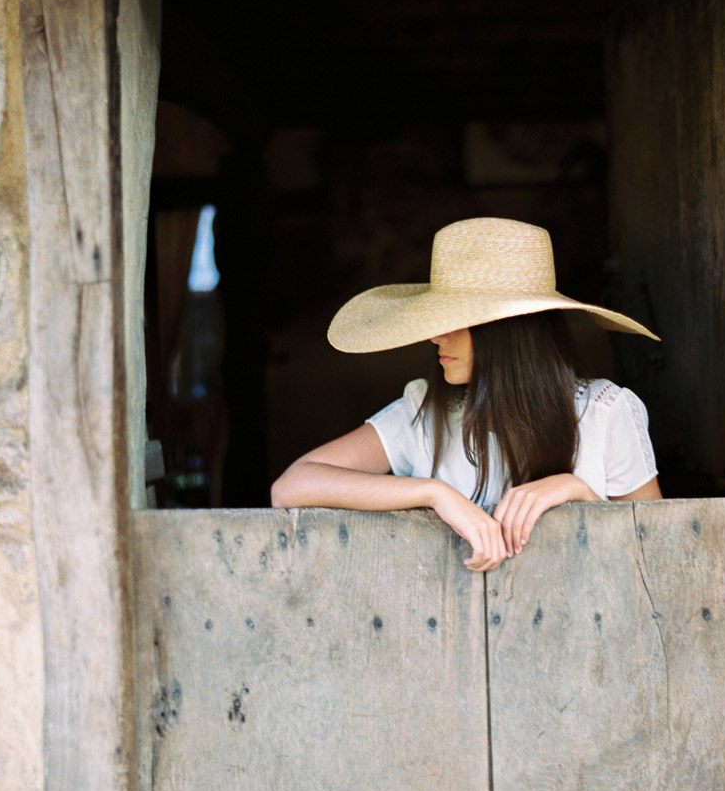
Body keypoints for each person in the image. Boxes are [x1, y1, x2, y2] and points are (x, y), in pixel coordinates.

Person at [271, 217, 662, 571]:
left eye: (456, 320)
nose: (435, 335)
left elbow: (658, 552)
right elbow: (290, 487)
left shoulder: (605, 412)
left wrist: (578, 491)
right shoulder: (425, 415)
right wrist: (435, 494)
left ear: (508, 331)